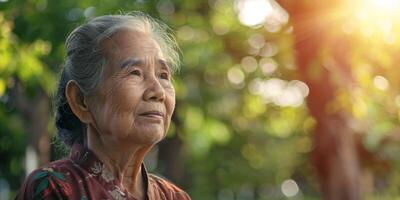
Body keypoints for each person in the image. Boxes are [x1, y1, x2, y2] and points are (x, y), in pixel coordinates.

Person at [16, 12, 190, 200]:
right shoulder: (53, 187)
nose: (158, 91)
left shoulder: (174, 196)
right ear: (81, 101)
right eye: (135, 73)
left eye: (163, 75)